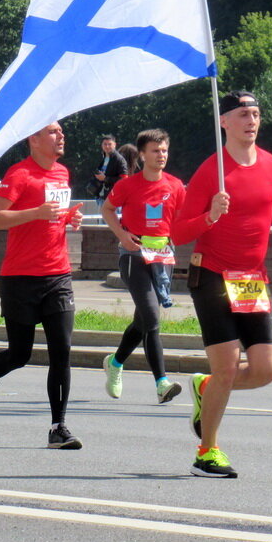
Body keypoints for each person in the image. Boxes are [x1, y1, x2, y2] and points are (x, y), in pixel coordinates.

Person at [172, 91, 272, 478]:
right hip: (212, 275)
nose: (251, 120)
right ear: (225, 123)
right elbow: (177, 232)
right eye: (243, 114)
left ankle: (206, 388)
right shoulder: (211, 171)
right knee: (229, 368)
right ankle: (207, 450)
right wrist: (210, 216)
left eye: (256, 114)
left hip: (251, 280)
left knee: (266, 370)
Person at [0, 121, 86, 449]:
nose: (61, 136)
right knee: (20, 354)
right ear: (33, 138)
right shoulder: (20, 175)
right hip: (20, 277)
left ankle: (58, 427)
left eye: (61, 131)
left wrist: (68, 218)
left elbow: (53, 217)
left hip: (57, 275)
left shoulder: (62, 173)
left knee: (62, 352)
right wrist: (36, 212)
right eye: (53, 132)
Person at [100, 129, 185, 404]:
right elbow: (107, 210)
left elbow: (186, 218)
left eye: (164, 150)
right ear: (142, 154)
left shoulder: (175, 185)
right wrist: (123, 235)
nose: (161, 156)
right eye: (155, 151)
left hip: (162, 258)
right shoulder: (128, 185)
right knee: (151, 317)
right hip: (133, 256)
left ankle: (115, 362)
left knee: (142, 320)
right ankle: (162, 383)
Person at [88, 134, 127, 208]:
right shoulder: (103, 157)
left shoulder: (119, 159)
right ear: (102, 145)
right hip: (100, 197)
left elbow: (124, 179)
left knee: (111, 219)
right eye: (105, 144)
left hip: (113, 198)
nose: (107, 146)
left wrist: (105, 178)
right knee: (101, 219)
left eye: (109, 144)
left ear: (115, 145)